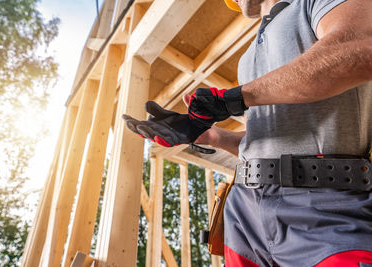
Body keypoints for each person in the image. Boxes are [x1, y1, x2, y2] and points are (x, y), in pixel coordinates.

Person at [123, 0, 372, 265]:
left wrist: (234, 98)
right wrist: (214, 136)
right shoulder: (247, 57)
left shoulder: (312, 4)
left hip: (325, 205)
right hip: (244, 215)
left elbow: (359, 50)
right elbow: (274, 138)